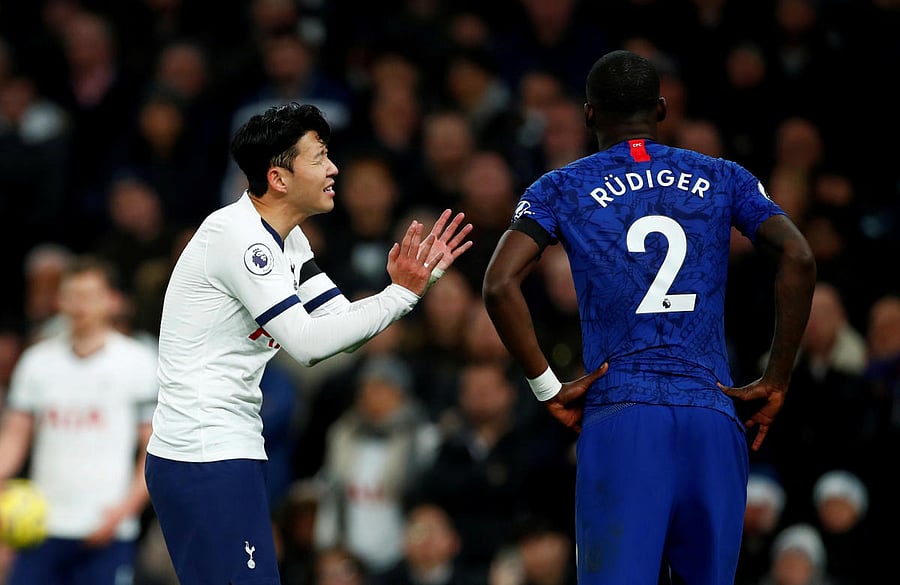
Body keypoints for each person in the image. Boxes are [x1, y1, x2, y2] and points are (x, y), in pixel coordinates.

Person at [482, 50, 816, 585]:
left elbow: (499, 285)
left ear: (589, 114)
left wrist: (548, 387)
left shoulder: (559, 187)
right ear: (661, 109)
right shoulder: (723, 176)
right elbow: (798, 257)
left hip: (623, 415)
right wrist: (776, 378)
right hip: (713, 413)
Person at [144, 101, 473, 585]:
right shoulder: (238, 238)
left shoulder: (288, 238)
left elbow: (338, 324)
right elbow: (306, 343)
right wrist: (399, 296)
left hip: (224, 449)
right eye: (319, 157)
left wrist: (413, 286)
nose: (333, 168)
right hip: (203, 453)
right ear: (279, 178)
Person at [0, 255, 158, 585]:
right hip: (40, 525)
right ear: (59, 301)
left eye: (90, 295)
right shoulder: (37, 361)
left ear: (113, 300)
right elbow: (15, 437)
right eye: (72, 295)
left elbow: (152, 447)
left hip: (107, 527)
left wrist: (124, 511)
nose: (80, 305)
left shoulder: (137, 362)